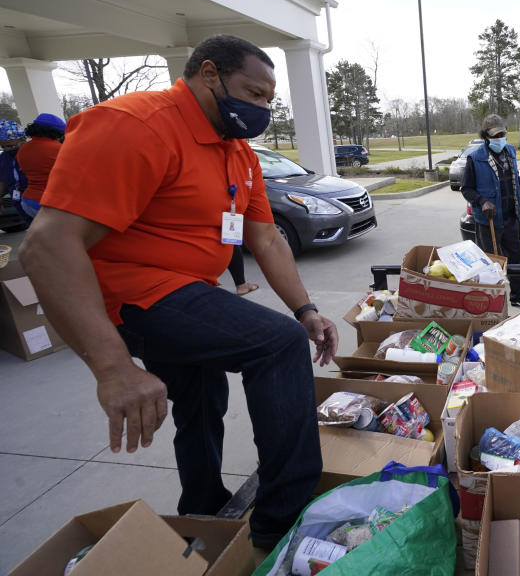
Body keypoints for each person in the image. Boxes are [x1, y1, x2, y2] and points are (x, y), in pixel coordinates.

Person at [20, 34, 337, 549]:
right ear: (209, 74)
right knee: (276, 344)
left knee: (201, 396)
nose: (261, 108)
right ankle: (284, 520)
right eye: (252, 93)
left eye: (267, 100)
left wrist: (306, 309)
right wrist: (113, 367)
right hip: (128, 296)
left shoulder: (238, 153)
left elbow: (264, 236)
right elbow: (46, 246)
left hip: (188, 290)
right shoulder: (136, 125)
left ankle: (202, 506)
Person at [460, 114, 520, 309]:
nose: (500, 138)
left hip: (510, 217)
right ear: (486, 137)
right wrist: (482, 201)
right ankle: (492, 301)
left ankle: (517, 296)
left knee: (516, 259)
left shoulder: (509, 151)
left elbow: (515, 182)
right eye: (495, 135)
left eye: (502, 133)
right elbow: (466, 189)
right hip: (488, 221)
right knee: (490, 263)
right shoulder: (475, 158)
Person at [18, 113, 66, 219]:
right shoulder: (59, 149)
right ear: (56, 132)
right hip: (49, 202)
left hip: (28, 201)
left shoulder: (23, 149)